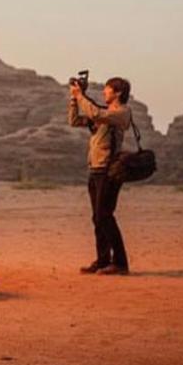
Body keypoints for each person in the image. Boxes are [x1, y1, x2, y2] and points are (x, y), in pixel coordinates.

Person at [67, 76, 132, 275]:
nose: (104, 92)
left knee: (105, 216)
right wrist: (74, 99)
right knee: (98, 217)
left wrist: (81, 96)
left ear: (118, 93)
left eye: (107, 89)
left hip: (108, 171)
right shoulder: (105, 114)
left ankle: (120, 263)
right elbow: (75, 120)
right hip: (95, 169)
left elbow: (95, 113)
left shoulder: (122, 113)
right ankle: (103, 260)